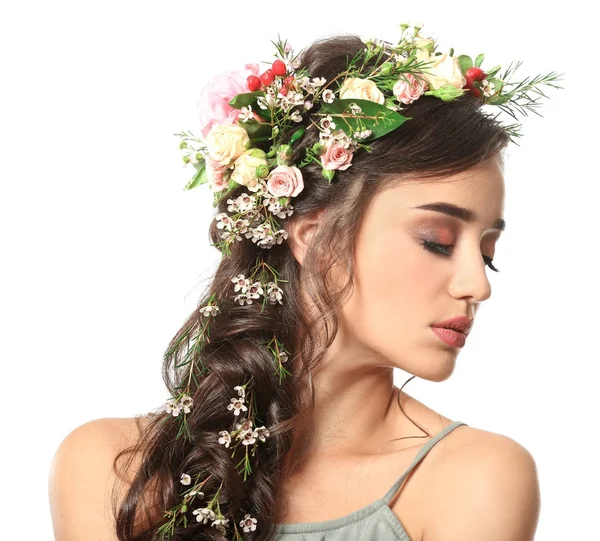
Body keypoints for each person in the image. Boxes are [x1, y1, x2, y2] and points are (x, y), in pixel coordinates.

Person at [49, 23, 560, 541]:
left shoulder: (474, 480)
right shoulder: (111, 470)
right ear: (314, 238)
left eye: (488, 254)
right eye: (437, 241)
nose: (477, 285)